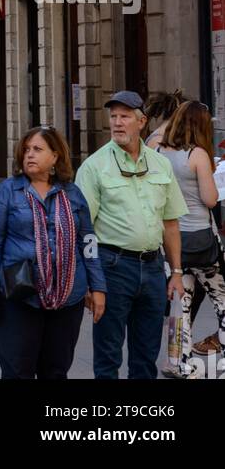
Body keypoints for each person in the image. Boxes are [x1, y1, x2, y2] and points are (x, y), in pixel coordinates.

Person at [0, 125, 107, 379]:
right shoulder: (8, 191)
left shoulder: (73, 194)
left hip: (68, 297)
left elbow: (88, 242)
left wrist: (98, 286)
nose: (29, 155)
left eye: (37, 149)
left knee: (56, 371)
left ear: (55, 156)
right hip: (19, 294)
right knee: (17, 370)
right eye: (26, 150)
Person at [76, 90, 188, 380]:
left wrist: (176, 271)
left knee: (146, 354)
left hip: (152, 269)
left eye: (124, 116)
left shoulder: (160, 163)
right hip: (112, 266)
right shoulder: (94, 166)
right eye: (113, 116)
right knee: (108, 354)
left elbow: (171, 221)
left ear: (142, 121)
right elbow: (83, 228)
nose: (117, 122)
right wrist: (91, 280)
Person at [153, 100, 225, 378]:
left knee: (179, 304)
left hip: (172, 243)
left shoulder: (157, 152)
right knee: (221, 298)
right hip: (201, 240)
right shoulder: (197, 155)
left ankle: (177, 362)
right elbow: (209, 198)